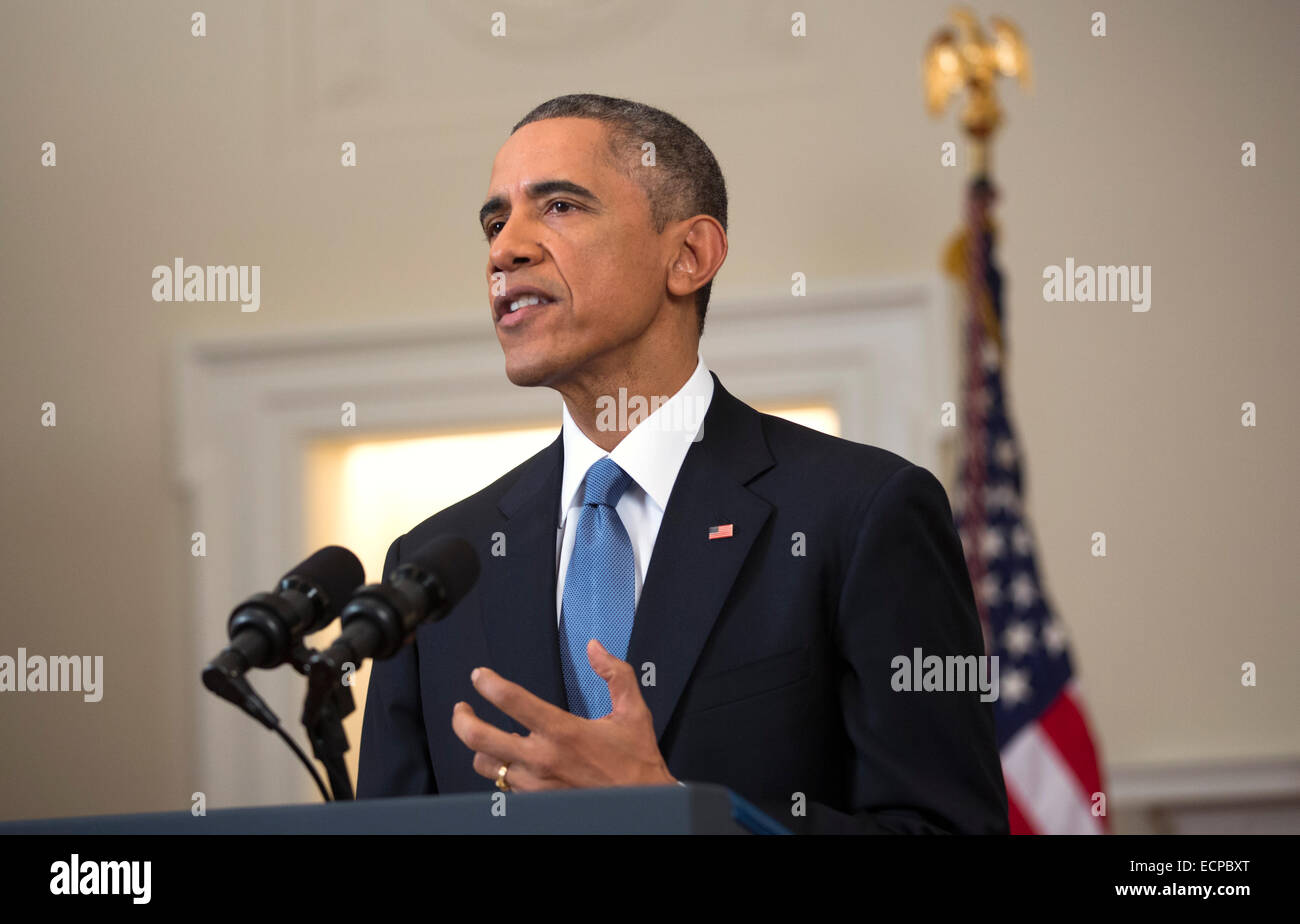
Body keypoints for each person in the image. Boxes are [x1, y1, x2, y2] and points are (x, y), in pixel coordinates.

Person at [356, 93, 1008, 834]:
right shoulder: (437, 569)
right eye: (494, 221)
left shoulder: (863, 513)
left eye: (561, 206)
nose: (505, 249)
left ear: (689, 255)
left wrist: (676, 816)